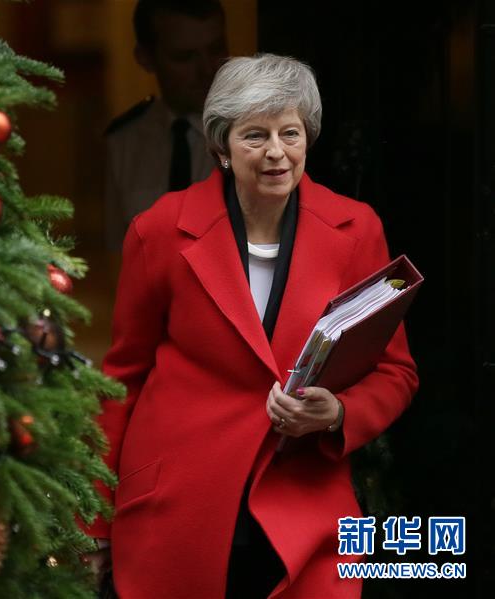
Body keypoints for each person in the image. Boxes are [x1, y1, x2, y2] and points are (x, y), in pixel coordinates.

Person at [83, 54, 419, 598]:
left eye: (290, 133)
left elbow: (396, 372)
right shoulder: (160, 230)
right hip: (178, 504)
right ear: (221, 147)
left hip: (303, 505)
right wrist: (95, 521)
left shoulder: (357, 228)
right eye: (255, 136)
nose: (276, 152)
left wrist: (338, 414)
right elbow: (123, 379)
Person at [104, 0, 228, 252]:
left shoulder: (252, 133)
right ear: (145, 58)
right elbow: (117, 253)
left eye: (216, 50)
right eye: (184, 57)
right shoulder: (124, 141)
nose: (207, 70)